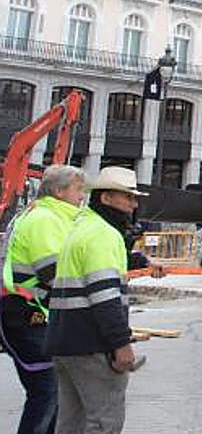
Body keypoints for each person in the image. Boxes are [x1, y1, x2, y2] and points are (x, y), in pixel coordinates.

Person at [45, 167, 147, 434]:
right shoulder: (104, 234)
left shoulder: (81, 228)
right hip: (91, 345)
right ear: (106, 198)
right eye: (128, 197)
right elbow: (105, 297)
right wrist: (121, 345)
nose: (133, 205)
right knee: (104, 423)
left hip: (65, 342)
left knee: (71, 423)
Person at [0, 165, 87, 434]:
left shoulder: (50, 216)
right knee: (47, 391)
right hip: (26, 316)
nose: (82, 195)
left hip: (32, 314)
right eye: (78, 189)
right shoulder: (44, 219)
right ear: (59, 191)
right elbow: (53, 273)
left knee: (52, 393)